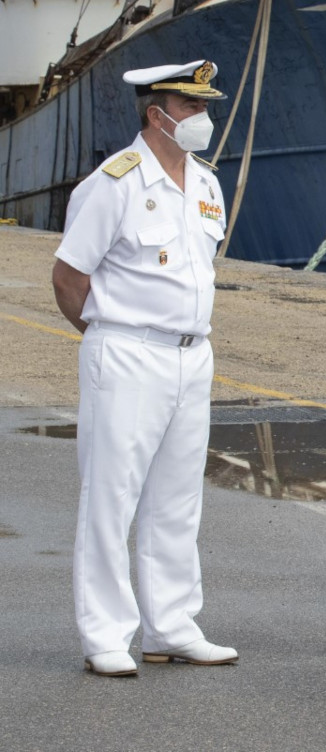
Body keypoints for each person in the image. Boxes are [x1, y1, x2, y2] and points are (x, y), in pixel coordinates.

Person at [51, 60, 238, 676]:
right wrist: (109, 333)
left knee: (177, 498)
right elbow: (70, 275)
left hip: (192, 354)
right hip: (129, 351)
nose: (202, 120)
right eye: (191, 108)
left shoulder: (207, 184)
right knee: (111, 495)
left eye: (205, 107)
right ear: (157, 114)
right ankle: (106, 634)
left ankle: (172, 626)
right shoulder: (115, 182)